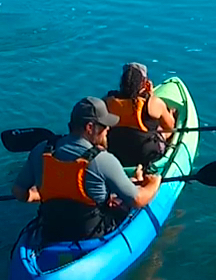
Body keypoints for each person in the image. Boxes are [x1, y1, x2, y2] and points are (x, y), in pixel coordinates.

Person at [12, 97, 162, 244]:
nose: (108, 129)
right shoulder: (103, 160)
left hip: (51, 231)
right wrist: (154, 184)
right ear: (90, 127)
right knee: (125, 201)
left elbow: (19, 192)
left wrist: (40, 195)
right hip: (90, 234)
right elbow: (137, 200)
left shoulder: (41, 151)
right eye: (104, 125)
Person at [102, 62, 177, 172]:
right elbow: (170, 127)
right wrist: (151, 95)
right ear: (144, 83)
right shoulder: (153, 103)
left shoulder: (107, 101)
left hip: (116, 153)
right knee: (163, 130)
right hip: (145, 156)